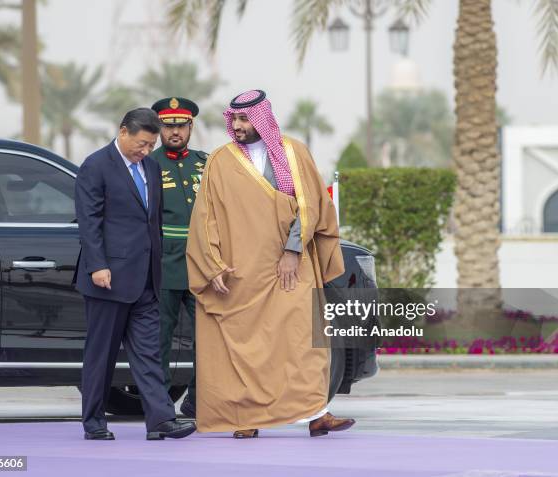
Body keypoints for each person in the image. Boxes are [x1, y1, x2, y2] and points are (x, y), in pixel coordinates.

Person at [186, 90, 356, 438]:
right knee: (246, 349)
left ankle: (318, 414)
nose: (238, 125)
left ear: (262, 118)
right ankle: (245, 420)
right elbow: (206, 218)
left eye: (245, 119)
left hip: (290, 268)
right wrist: (212, 265)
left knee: (304, 342)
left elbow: (310, 207)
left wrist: (293, 252)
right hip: (240, 272)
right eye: (234, 119)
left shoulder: (293, 153)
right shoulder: (221, 160)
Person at [74, 108, 196, 441]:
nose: (145, 150)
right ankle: (94, 422)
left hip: (146, 279)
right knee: (102, 355)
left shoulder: (152, 168)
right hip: (108, 278)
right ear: (123, 132)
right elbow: (89, 221)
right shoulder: (96, 166)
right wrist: (98, 265)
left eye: (150, 144)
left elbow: (152, 222)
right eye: (141, 144)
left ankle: (160, 420)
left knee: (149, 353)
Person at [149, 97, 208, 419]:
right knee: (160, 339)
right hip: (163, 264)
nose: (175, 132)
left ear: (190, 127)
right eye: (168, 126)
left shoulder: (205, 163)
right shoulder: (148, 163)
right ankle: (160, 406)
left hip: (201, 264)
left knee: (208, 338)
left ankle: (198, 401)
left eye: (181, 126)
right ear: (159, 128)